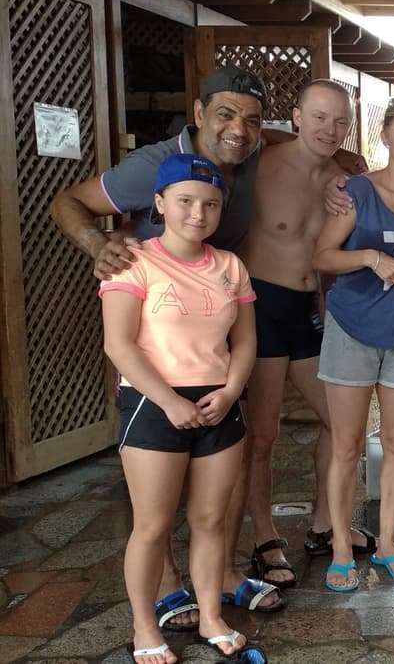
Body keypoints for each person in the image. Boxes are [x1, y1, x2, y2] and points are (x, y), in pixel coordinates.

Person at [50, 66, 285, 622]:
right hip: (150, 322)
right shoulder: (150, 167)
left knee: (214, 479)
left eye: (252, 121)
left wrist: (334, 157)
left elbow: (284, 136)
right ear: (198, 113)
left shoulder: (247, 154)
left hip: (213, 329)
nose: (239, 129)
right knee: (155, 488)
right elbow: (67, 203)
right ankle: (165, 584)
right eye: (225, 114)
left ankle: (220, 577)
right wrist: (96, 245)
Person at [100, 154, 263, 663]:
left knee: (211, 519)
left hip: (218, 401)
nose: (198, 212)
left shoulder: (230, 266)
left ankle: (211, 615)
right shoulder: (134, 261)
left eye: (210, 203)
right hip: (153, 403)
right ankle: (145, 626)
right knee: (152, 524)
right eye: (186, 200)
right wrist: (169, 401)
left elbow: (246, 341)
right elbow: (119, 346)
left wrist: (232, 391)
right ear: (160, 203)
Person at [238, 79, 375, 589]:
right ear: (295, 116)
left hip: (314, 310)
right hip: (262, 306)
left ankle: (323, 523)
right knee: (263, 435)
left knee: (343, 427)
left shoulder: (349, 175)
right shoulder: (260, 163)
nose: (329, 129)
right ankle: (264, 537)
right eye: (318, 117)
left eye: (340, 121)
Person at [311, 96, 394, 590]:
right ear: (386, 137)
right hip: (352, 329)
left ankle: (388, 541)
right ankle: (343, 546)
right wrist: (368, 256)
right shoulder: (357, 192)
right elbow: (322, 256)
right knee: (346, 446)